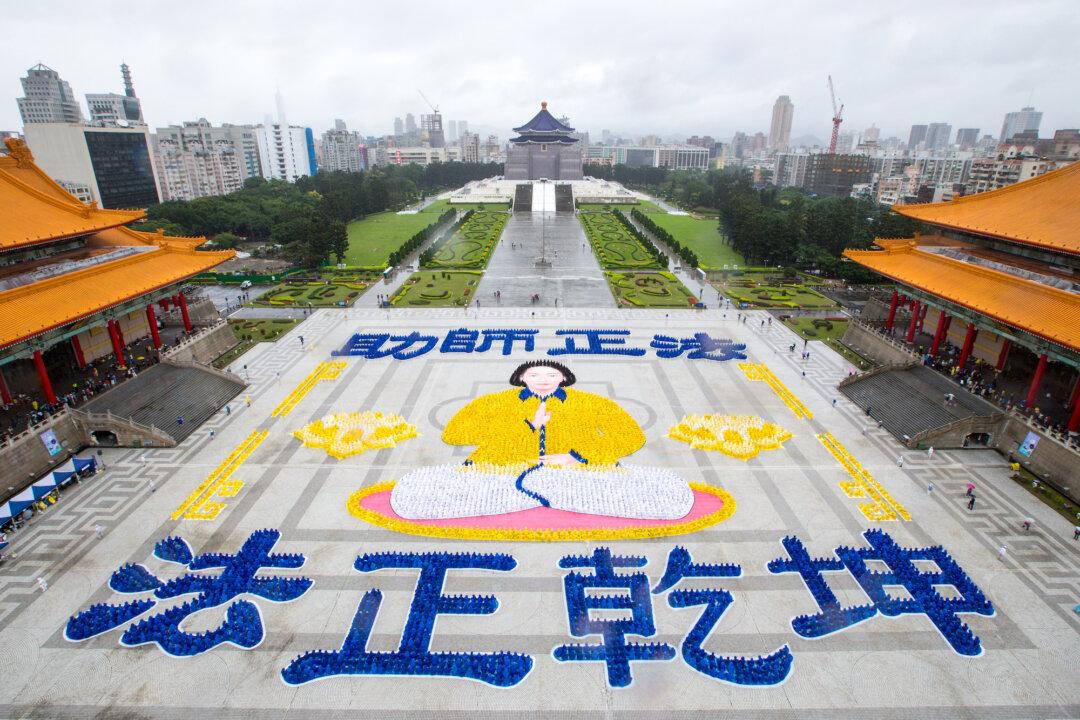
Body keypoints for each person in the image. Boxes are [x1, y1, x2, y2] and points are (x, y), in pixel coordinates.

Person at [389, 360, 693, 521]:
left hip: (578, 477)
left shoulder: (593, 403)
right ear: (522, 377)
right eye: (535, 374)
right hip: (500, 475)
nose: (544, 380)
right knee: (423, 496)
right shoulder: (493, 402)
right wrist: (527, 427)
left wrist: (577, 456)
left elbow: (631, 436)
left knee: (659, 495)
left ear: (564, 378)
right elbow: (454, 433)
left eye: (552, 374)